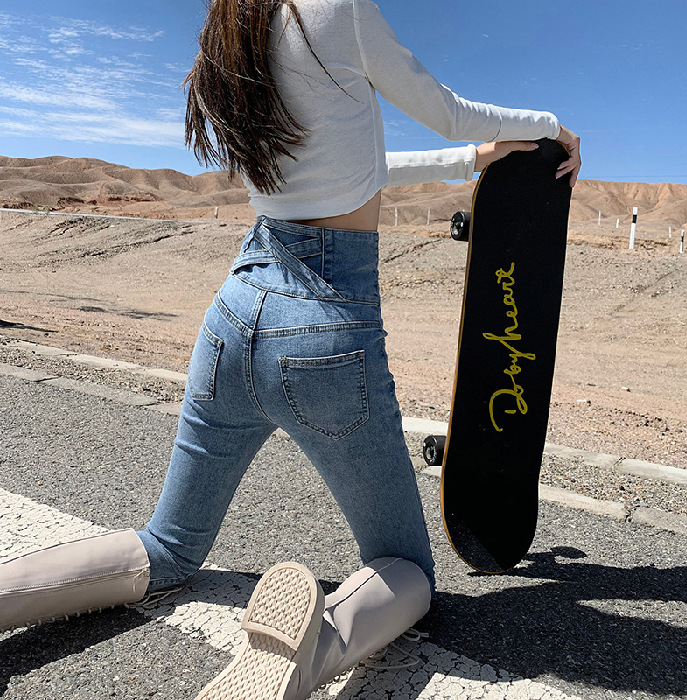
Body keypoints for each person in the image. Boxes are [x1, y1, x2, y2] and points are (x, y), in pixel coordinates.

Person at [0, 0, 581, 698]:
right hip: (326, 331)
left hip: (233, 313)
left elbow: (349, 165)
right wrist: (551, 128)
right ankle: (310, 653)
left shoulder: (232, 27)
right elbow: (450, 111)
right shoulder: (340, 9)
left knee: (167, 547)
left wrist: (468, 162)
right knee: (408, 572)